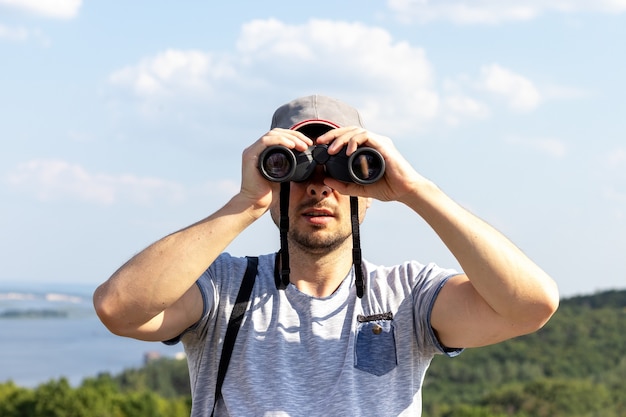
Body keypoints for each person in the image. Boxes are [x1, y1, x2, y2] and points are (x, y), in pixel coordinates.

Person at [93, 94, 559, 416]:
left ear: (370, 190)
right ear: (271, 180)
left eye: (342, 166)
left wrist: (416, 189)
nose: (318, 186)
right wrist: (245, 203)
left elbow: (531, 306)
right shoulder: (222, 289)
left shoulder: (408, 297)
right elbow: (119, 308)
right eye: (292, 167)